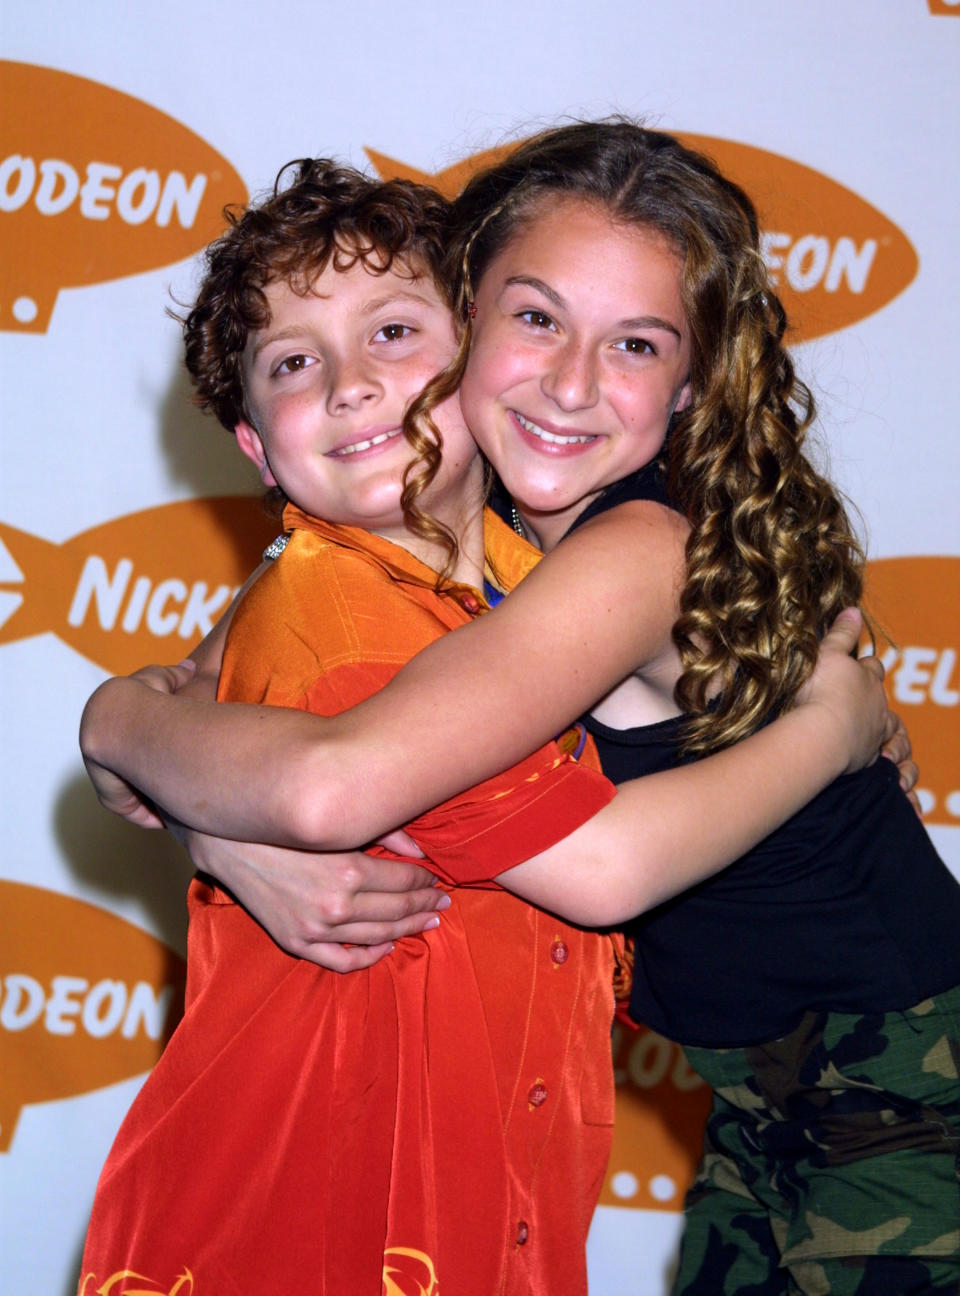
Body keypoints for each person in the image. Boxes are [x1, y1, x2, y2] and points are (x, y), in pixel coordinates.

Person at [76, 127, 939, 1294]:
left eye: (633, 344)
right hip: (764, 1095)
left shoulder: (630, 548)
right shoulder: (454, 536)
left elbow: (387, 792)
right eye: (536, 319)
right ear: (470, 321)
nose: (573, 383)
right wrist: (192, 805)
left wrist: (831, 732)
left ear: (690, 386)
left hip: (906, 1087)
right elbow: (192, 704)